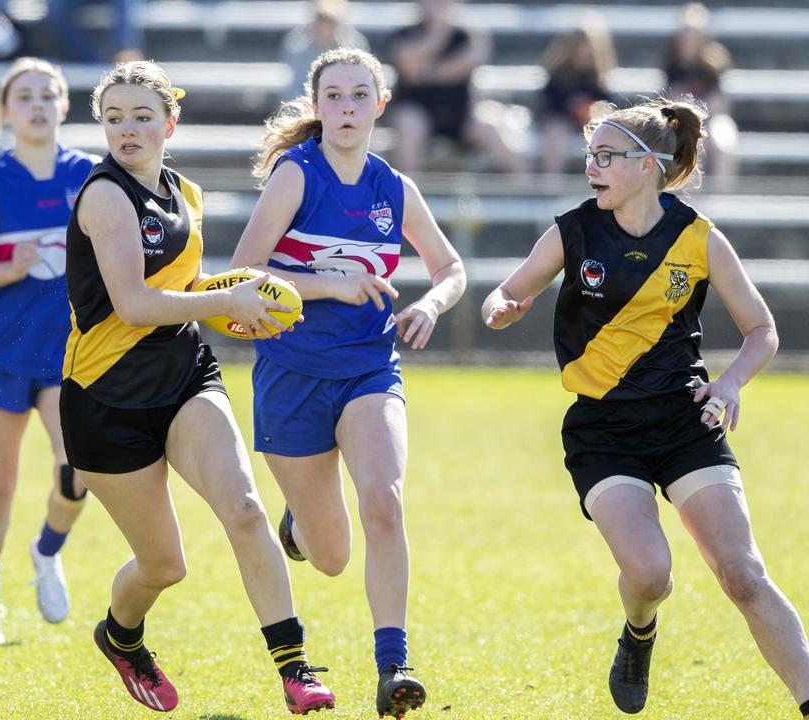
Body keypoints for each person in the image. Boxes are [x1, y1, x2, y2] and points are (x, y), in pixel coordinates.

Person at [482, 98, 809, 718]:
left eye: (606, 157)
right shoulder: (573, 230)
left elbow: (761, 330)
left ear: (650, 165)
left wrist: (732, 383)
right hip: (604, 430)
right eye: (590, 155)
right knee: (652, 574)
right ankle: (639, 632)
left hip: (686, 422)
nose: (592, 167)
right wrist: (502, 306)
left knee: (742, 574)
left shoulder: (699, 238)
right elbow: (508, 290)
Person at [63, 60, 334, 715]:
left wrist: (232, 304)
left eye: (141, 116)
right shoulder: (103, 194)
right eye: (113, 118)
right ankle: (122, 638)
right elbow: (131, 304)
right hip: (104, 400)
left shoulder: (186, 192)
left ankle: (296, 668)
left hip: (184, 376)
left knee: (243, 509)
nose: (127, 130)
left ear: (169, 123)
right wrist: (228, 293)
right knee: (164, 567)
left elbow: (184, 293)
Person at [231, 47, 466, 719]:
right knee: (330, 556)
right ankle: (301, 528)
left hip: (369, 368)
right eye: (333, 96)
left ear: (380, 105)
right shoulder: (294, 177)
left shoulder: (394, 187)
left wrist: (429, 304)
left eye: (359, 95)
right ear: (317, 105)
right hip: (292, 373)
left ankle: (394, 665)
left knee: (384, 502)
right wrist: (329, 285)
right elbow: (241, 274)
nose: (346, 108)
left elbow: (451, 269)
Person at [0, 57, 95, 643]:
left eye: (47, 95)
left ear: (63, 106)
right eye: (24, 96)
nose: (36, 104)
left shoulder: (90, 175)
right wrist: (10, 264)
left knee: (78, 465)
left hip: (71, 352)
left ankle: (46, 550)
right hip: (4, 350)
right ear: (5, 111)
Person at [387, 0, 525, 175]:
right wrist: (437, 33)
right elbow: (409, 69)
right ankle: (408, 195)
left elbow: (469, 61)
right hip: (418, 110)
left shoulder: (468, 34)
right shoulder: (404, 33)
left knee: (490, 124)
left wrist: (430, 71)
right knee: (408, 123)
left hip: (461, 112)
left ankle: (527, 186)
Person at [662, 2, 738, 193]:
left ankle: (721, 198)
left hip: (712, 119)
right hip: (679, 121)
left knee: (723, 144)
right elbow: (666, 104)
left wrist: (701, 115)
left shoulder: (714, 64)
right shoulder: (671, 65)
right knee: (689, 140)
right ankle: (688, 199)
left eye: (694, 35)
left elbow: (721, 104)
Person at [536, 15, 616, 175]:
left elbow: (608, 104)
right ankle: (552, 182)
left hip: (591, 123)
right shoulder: (558, 75)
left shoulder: (599, 76)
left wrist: (592, 112)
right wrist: (571, 110)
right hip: (562, 123)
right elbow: (549, 107)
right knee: (555, 131)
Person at [280, 0, 368, 100]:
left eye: (329, 22)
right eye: (320, 21)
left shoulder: (354, 47)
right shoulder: (297, 49)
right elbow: (296, 88)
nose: (324, 28)